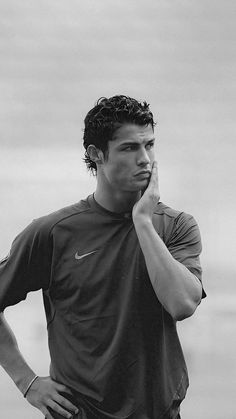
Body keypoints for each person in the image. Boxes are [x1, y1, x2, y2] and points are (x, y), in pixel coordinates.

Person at [0, 95, 206, 419]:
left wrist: (143, 221)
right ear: (96, 155)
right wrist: (27, 382)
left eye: (149, 145)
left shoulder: (176, 226)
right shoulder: (53, 233)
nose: (145, 159)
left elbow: (182, 304)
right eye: (129, 148)